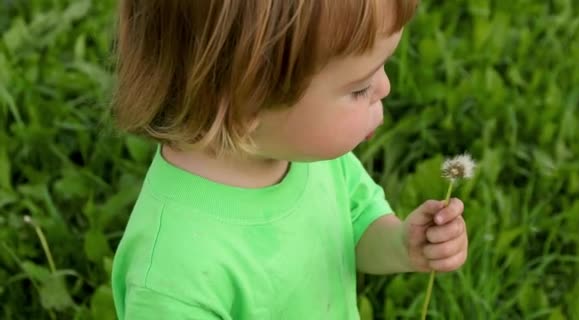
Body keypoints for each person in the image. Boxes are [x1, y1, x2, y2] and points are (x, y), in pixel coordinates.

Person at [110, 0, 468, 319]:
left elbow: (354, 229)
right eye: (359, 87)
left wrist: (401, 245)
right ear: (246, 101)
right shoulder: (174, 273)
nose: (385, 88)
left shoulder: (311, 158)